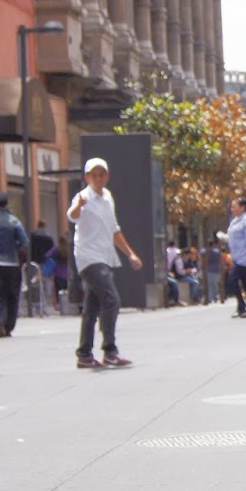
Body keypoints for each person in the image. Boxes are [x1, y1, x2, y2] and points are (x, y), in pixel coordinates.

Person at [68, 157, 142, 369]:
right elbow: (72, 216)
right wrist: (79, 207)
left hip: (104, 255)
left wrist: (130, 254)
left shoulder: (108, 197)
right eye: (94, 175)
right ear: (87, 177)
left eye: (101, 175)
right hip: (88, 256)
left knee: (92, 307)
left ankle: (84, 353)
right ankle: (110, 349)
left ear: (107, 176)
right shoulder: (83, 196)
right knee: (112, 299)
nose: (98, 179)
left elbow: (114, 230)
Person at [0, 191, 28, 337]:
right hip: (11, 263)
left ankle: (0, 321)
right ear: (6, 204)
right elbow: (24, 242)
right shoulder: (13, 221)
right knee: (12, 295)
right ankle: (9, 325)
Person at [227, 196, 246, 317]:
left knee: (232, 281)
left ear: (242, 207)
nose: (232, 208)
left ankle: (242, 305)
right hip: (236, 257)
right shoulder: (235, 220)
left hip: (244, 258)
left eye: (234, 206)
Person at [205, 236, 223, 304]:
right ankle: (215, 297)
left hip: (209, 269)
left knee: (210, 284)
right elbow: (220, 261)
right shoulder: (217, 252)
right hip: (216, 269)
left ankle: (210, 298)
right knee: (215, 284)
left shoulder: (205, 252)